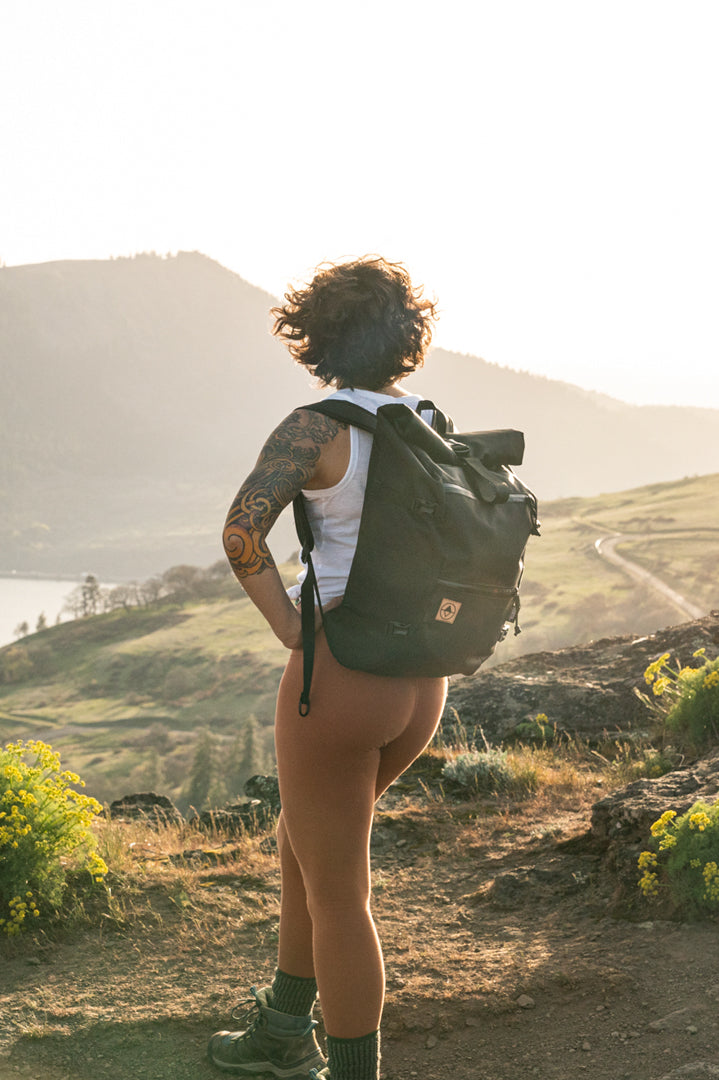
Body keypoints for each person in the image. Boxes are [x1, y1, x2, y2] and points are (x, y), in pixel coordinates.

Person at [211, 257, 447, 1080]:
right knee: (303, 845)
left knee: (341, 894)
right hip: (424, 683)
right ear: (404, 335)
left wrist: (288, 629)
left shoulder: (316, 429)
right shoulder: (429, 422)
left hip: (343, 675)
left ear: (315, 337)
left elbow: (243, 536)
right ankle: (281, 1029)